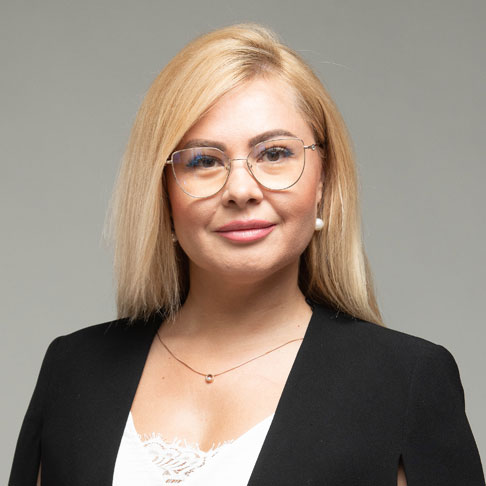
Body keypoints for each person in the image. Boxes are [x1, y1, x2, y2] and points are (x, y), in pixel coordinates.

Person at [9, 23, 484, 486]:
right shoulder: (72, 370)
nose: (241, 189)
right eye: (203, 160)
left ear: (323, 182)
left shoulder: (406, 383)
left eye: (274, 154)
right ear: (162, 194)